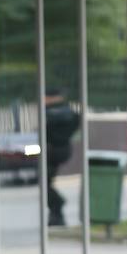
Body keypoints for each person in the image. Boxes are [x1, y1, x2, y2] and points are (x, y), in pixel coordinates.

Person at [43, 89, 79, 226]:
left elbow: (46, 133)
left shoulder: (52, 113)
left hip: (52, 150)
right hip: (58, 149)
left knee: (44, 181)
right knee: (45, 181)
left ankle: (57, 206)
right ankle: (56, 214)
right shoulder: (68, 112)